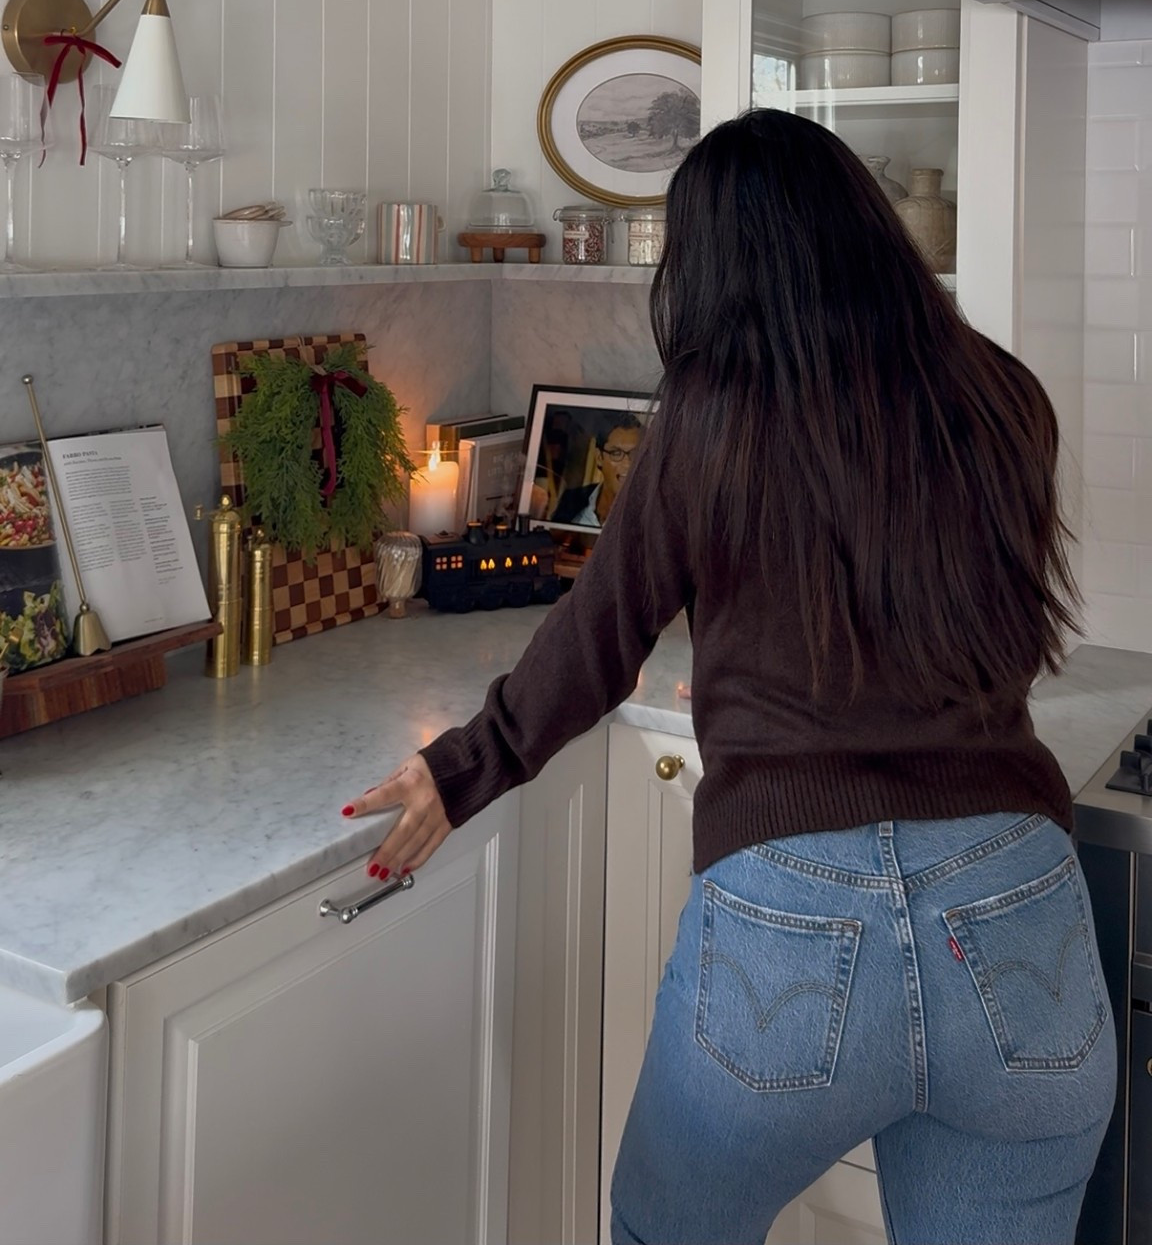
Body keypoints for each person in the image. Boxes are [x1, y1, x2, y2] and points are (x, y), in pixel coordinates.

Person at [342, 109, 1116, 1245]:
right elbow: (954, 616)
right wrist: (762, 669)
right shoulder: (1002, 394)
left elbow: (599, 637)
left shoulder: (710, 419)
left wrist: (458, 770)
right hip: (1016, 898)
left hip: (794, 912)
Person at [553, 415, 644, 528]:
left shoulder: (651, 514)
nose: (627, 464)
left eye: (635, 454)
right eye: (616, 453)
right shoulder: (571, 500)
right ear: (599, 457)